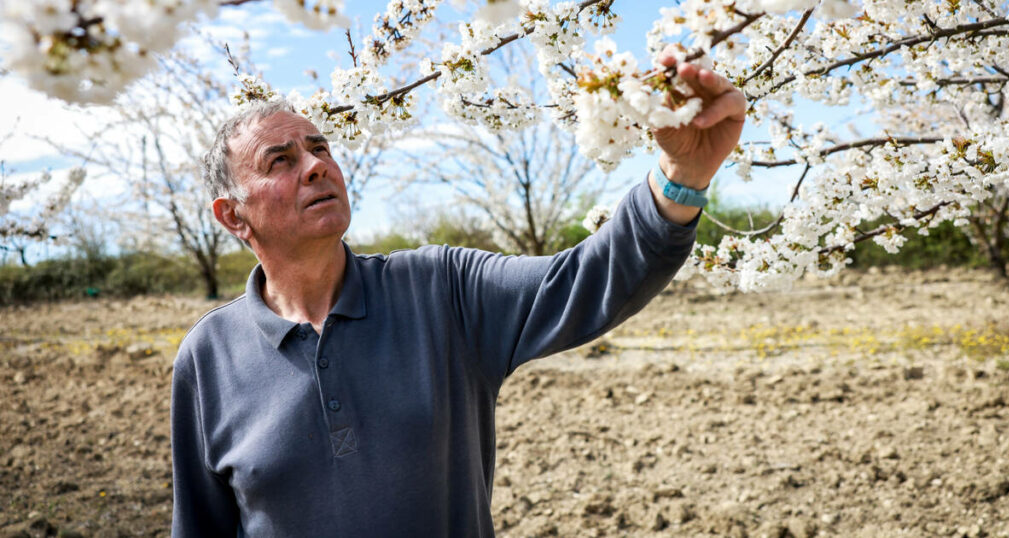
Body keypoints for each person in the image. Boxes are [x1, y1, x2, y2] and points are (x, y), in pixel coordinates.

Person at [170, 53, 746, 536]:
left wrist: (681, 176)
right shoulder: (208, 357)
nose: (318, 166)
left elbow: (586, 279)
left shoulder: (442, 290)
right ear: (234, 217)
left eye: (321, 149)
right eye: (283, 160)